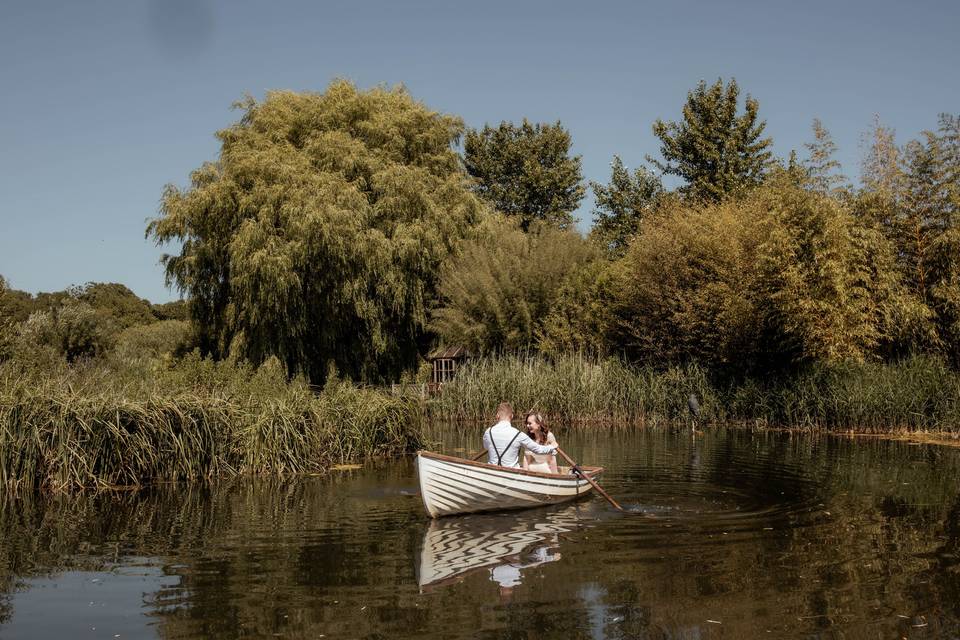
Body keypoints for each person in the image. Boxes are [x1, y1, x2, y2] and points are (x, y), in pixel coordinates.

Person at [483, 402, 557, 468]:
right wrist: (552, 447)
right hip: (512, 473)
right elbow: (538, 450)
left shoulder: (488, 432)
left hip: (492, 470)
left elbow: (486, 447)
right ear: (512, 416)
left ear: (497, 416)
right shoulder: (518, 435)